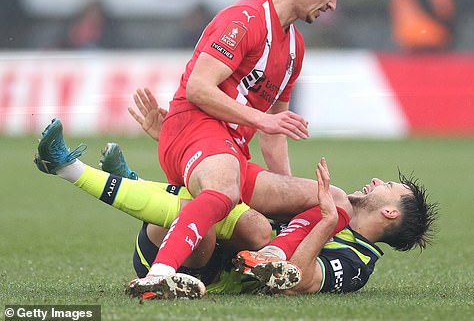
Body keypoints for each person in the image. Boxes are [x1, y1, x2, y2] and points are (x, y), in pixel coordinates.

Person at [33, 96, 437, 297]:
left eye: (389, 186)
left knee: (245, 222)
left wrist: (327, 221)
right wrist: (182, 146)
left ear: (388, 212)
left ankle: (70, 169)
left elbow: (296, 281)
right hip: (202, 241)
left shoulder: (357, 263)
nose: (376, 179)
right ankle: (129, 181)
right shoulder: (332, 210)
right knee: (234, 206)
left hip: (199, 267)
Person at [133, 0, 350, 293]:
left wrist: (287, 201)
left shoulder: (295, 48)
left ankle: (270, 256)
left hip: (232, 152)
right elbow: (199, 88)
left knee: (335, 200)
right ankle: (157, 276)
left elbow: (274, 132)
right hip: (193, 127)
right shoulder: (244, 19)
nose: (333, 5)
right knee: (225, 186)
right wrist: (262, 118)